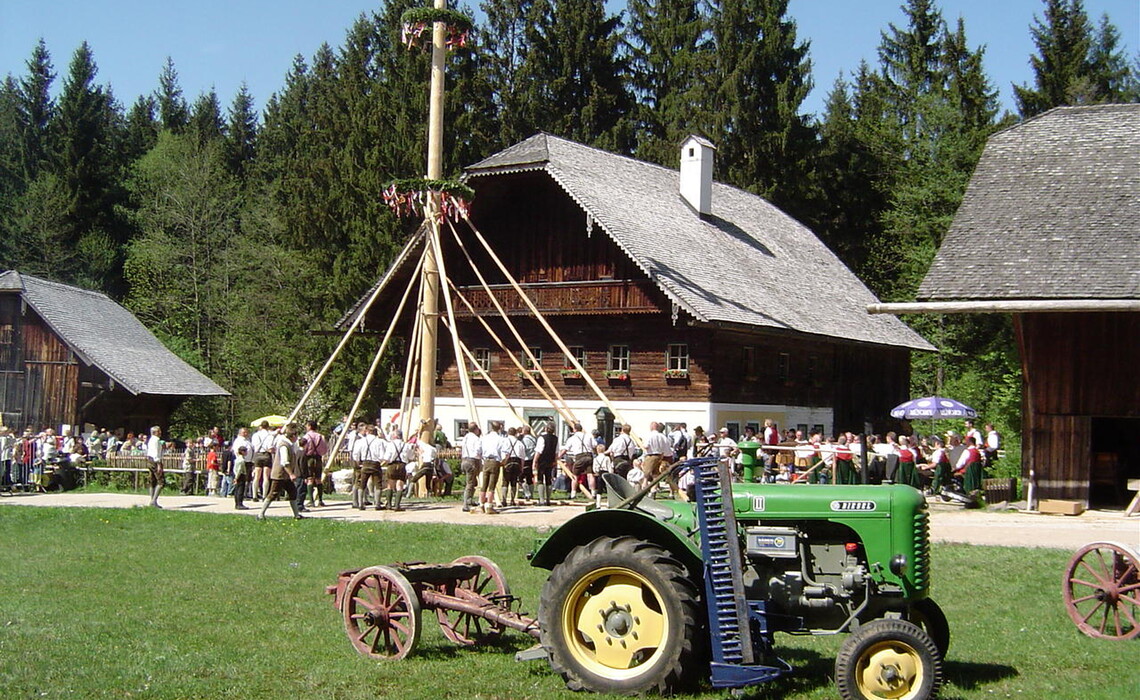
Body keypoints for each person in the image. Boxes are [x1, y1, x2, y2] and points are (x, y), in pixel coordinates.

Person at [258, 423, 304, 520]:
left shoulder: (290, 445)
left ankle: (297, 515)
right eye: (297, 435)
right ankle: (260, 514)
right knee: (273, 494)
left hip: (285, 476)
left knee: (292, 493)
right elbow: (284, 462)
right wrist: (291, 474)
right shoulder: (284, 445)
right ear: (293, 435)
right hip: (280, 475)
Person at [353, 425, 386, 511]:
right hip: (375, 463)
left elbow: (356, 454)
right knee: (378, 484)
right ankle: (377, 504)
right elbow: (382, 455)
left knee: (362, 484)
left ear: (367, 431)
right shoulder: (379, 441)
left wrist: (358, 462)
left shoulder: (360, 441)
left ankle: (361, 504)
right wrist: (380, 461)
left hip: (365, 463)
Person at [559, 422, 592, 500]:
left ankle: (573, 493)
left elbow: (565, 449)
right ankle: (593, 492)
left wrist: (559, 456)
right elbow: (594, 446)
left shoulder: (572, 438)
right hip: (589, 455)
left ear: (574, 430)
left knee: (575, 475)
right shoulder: (588, 436)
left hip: (579, 456)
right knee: (590, 474)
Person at [478, 420, 504, 514]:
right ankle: (489, 505)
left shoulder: (484, 438)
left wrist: (482, 459)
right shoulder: (500, 439)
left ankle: (481, 504)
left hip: (486, 460)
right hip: (495, 461)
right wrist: (503, 461)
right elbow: (503, 451)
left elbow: (478, 450)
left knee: (484, 484)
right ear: (500, 428)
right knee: (492, 485)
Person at [301, 421, 329, 508]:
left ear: (309, 426)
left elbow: (303, 449)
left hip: (309, 458)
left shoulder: (306, 437)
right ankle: (320, 500)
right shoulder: (320, 437)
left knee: (310, 479)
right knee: (318, 479)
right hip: (318, 458)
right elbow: (324, 450)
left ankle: (311, 501)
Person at [533, 421, 558, 506]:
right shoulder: (555, 438)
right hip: (550, 460)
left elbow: (539, 451)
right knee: (548, 479)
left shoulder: (542, 438)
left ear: (546, 428)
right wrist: (555, 461)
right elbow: (556, 452)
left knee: (540, 479)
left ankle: (541, 500)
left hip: (542, 460)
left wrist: (535, 461)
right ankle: (548, 500)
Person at [641, 422, 672, 489]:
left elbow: (646, 446)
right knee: (655, 474)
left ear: (652, 427)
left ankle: (644, 488)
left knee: (646, 474)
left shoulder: (649, 435)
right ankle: (653, 490)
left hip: (651, 455)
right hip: (660, 456)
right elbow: (666, 447)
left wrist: (642, 445)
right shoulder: (662, 436)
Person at [460, 422, 482, 512]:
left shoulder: (465, 438)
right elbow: (478, 451)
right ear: (476, 429)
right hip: (472, 460)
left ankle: (469, 500)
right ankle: (465, 504)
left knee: (473, 482)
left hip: (464, 460)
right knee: (470, 483)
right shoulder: (476, 439)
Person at [501, 426, 526, 507]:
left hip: (508, 461)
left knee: (505, 481)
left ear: (508, 433)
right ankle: (512, 500)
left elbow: (502, 453)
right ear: (515, 433)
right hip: (517, 462)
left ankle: (504, 500)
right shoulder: (520, 443)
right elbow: (522, 457)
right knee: (514, 481)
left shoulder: (504, 441)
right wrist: (521, 468)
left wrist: (502, 463)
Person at [250, 422, 275, 501]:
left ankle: (254, 495)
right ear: (268, 427)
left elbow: (254, 446)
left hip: (258, 454)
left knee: (257, 476)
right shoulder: (270, 435)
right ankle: (264, 495)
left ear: (261, 426)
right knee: (266, 477)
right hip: (266, 455)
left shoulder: (255, 435)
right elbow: (270, 447)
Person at [145, 425, 165, 508]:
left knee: (152, 481)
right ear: (154, 432)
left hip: (149, 460)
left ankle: (152, 500)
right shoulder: (156, 440)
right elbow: (156, 453)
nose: (160, 432)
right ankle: (153, 501)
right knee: (161, 481)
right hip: (154, 461)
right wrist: (159, 464)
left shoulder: (150, 440)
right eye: (158, 431)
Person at [232, 445, 251, 509]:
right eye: (245, 451)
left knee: (237, 490)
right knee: (240, 490)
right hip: (240, 475)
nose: (246, 452)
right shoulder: (241, 460)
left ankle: (237, 503)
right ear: (242, 452)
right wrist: (236, 478)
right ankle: (239, 504)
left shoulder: (237, 459)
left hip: (236, 474)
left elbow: (235, 469)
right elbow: (240, 470)